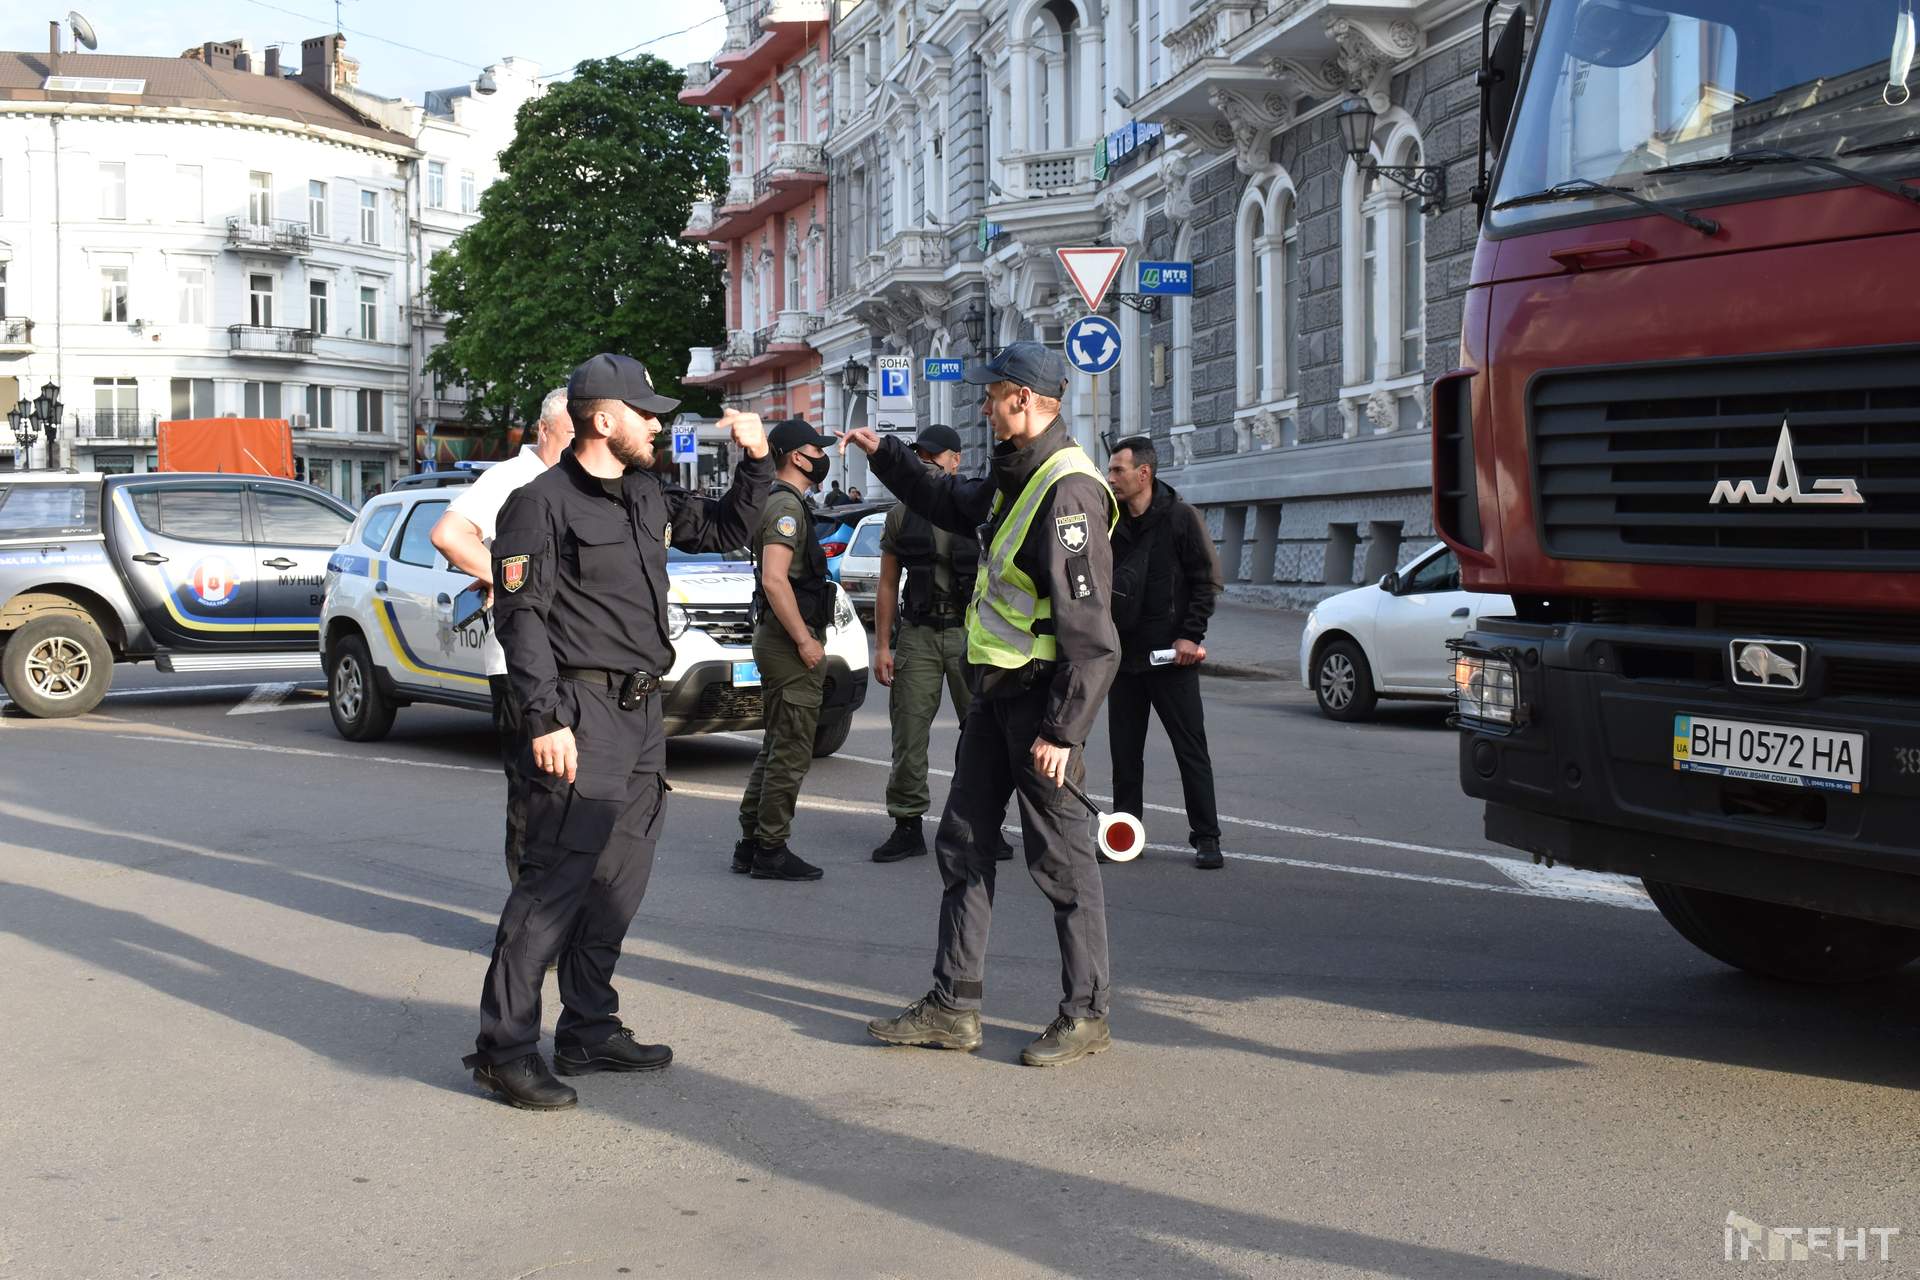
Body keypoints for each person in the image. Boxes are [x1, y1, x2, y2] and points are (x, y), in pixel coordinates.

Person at [461, 353, 771, 1110]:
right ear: (603, 420)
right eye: (646, 415)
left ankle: (589, 1027)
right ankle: (505, 1050)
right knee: (553, 884)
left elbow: (729, 527)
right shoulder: (538, 503)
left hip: (641, 714)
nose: (658, 426)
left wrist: (757, 461)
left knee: (619, 882)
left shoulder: (644, 493)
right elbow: (520, 618)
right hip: (579, 711)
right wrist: (544, 718)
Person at [842, 342, 1121, 1068]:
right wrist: (887, 455)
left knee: (1062, 863)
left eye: (992, 395)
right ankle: (953, 1007)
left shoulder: (1069, 490)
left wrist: (1063, 731)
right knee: (963, 843)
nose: (984, 406)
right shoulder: (1012, 471)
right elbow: (949, 501)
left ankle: (1087, 1014)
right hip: (994, 697)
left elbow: (1093, 636)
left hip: (1040, 707)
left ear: (1023, 399)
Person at [430, 386, 574, 884]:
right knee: (534, 791)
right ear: (543, 430)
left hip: (576, 661)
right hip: (520, 663)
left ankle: (564, 907)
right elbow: (448, 535)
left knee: (574, 794)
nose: (578, 444)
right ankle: (530, 909)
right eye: (570, 433)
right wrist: (504, 576)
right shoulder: (511, 479)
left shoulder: (580, 480)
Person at [1104, 435, 1225, 870]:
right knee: (1124, 755)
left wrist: (1191, 636)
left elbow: (1206, 581)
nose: (1110, 477)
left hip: (1171, 658)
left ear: (1144, 474)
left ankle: (1207, 838)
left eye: (1117, 470)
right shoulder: (1109, 520)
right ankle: (1125, 837)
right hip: (1124, 658)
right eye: (1109, 469)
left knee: (1190, 749)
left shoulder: (1181, 518)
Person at [729, 418, 840, 883]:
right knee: (791, 749)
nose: (823, 458)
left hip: (777, 638)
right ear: (798, 457)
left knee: (776, 744)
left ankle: (752, 843)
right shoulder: (786, 507)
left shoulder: (781, 501)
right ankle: (771, 850)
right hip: (787, 643)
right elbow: (775, 580)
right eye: (818, 450)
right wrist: (805, 641)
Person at [870, 423, 979, 864]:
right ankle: (907, 823)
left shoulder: (978, 508)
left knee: (982, 733)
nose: (927, 462)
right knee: (909, 733)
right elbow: (886, 582)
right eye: (921, 456)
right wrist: (882, 646)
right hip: (918, 634)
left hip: (971, 633)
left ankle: (980, 822)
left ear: (956, 460)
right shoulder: (902, 514)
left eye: (935, 455)